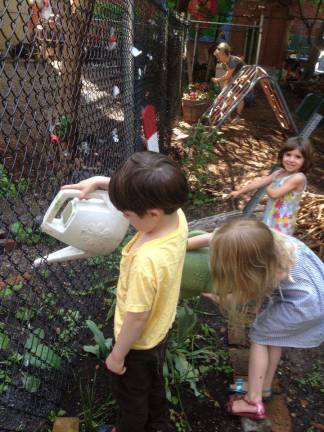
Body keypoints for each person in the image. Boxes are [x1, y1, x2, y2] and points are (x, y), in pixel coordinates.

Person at [62, 151, 189, 432]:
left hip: (137, 344)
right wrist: (98, 181)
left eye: (129, 214)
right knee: (154, 383)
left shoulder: (147, 261)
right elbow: (144, 193)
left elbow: (136, 318)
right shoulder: (176, 216)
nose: (125, 217)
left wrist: (118, 355)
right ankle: (159, 425)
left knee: (131, 396)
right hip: (161, 329)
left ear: (152, 213)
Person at [187, 218, 324, 419]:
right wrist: (178, 247)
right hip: (313, 291)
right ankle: (264, 387)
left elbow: (248, 294)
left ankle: (253, 401)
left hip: (304, 306)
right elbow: (213, 237)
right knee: (274, 338)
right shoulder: (264, 238)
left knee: (260, 337)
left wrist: (220, 298)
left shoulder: (272, 271)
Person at [229, 136, 313, 235]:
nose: (291, 159)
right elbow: (258, 182)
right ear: (282, 156)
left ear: (305, 161)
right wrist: (239, 192)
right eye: (288, 154)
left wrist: (268, 183)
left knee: (276, 246)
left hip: (282, 223)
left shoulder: (298, 178)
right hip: (270, 216)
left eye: (298, 157)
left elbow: (274, 194)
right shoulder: (279, 173)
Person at [211, 42, 245, 123]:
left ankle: (237, 117)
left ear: (223, 54)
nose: (218, 59)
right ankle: (227, 116)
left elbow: (228, 76)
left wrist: (217, 80)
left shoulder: (233, 61)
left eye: (218, 57)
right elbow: (228, 76)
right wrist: (224, 88)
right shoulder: (225, 63)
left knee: (237, 97)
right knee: (228, 97)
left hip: (244, 79)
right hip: (235, 80)